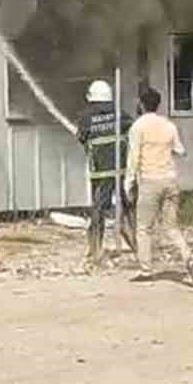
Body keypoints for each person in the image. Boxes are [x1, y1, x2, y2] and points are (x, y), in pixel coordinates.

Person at [125, 86, 193, 287]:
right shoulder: (169, 125)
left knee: (143, 228)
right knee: (171, 227)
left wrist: (129, 182)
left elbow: (134, 157)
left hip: (150, 181)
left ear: (141, 104)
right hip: (170, 180)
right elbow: (180, 150)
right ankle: (188, 257)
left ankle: (146, 270)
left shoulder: (138, 127)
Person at [77, 80, 135, 268]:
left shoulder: (87, 117)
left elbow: (82, 137)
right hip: (121, 169)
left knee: (98, 209)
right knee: (126, 206)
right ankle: (138, 247)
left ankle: (95, 249)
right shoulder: (120, 114)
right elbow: (132, 131)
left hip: (100, 172)